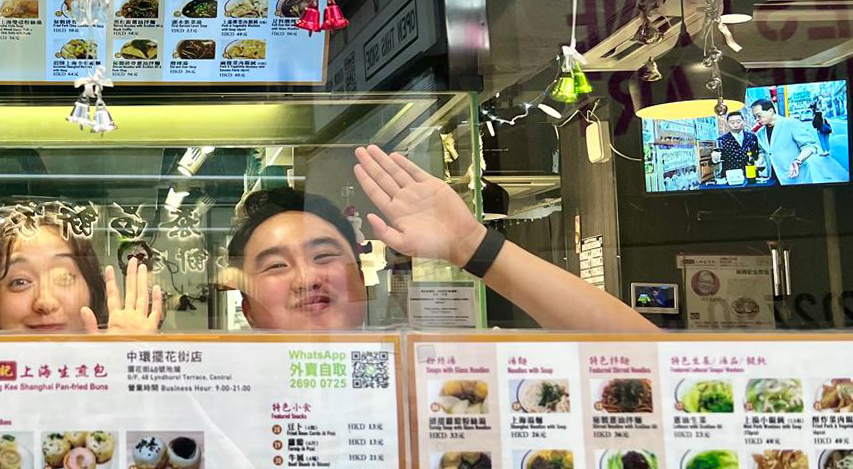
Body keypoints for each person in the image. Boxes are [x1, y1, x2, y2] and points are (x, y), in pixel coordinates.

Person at [227, 145, 655, 333]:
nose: (308, 278)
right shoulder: (220, 391)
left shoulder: (437, 360)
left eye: (324, 255)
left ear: (360, 278)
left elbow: (648, 357)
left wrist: (472, 245)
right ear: (247, 308)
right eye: (277, 265)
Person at [0, 205, 163, 333]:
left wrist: (129, 365)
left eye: (64, 277)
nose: (45, 302)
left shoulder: (112, 372)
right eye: (20, 281)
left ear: (92, 292)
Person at [753, 98, 846, 184]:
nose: (757, 120)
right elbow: (763, 151)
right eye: (755, 117)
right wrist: (760, 160)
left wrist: (798, 161)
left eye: (759, 116)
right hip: (773, 179)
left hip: (796, 178)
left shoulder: (792, 124)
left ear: (770, 111)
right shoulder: (760, 133)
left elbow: (810, 146)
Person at [711, 109, 759, 185]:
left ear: (743, 121)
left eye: (738, 122)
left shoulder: (752, 137)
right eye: (732, 122)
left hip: (751, 178)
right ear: (727, 123)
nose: (736, 125)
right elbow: (715, 160)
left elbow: (758, 155)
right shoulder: (721, 140)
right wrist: (715, 159)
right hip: (730, 179)